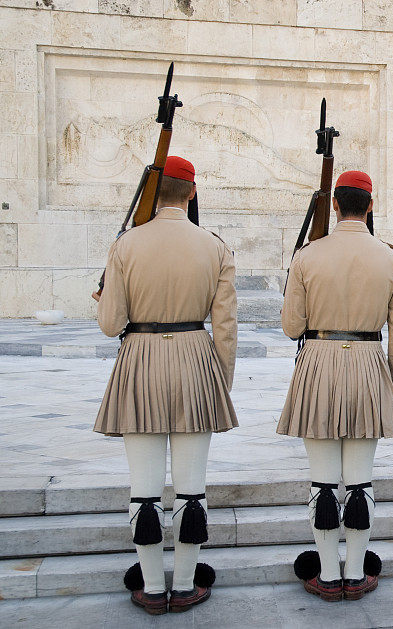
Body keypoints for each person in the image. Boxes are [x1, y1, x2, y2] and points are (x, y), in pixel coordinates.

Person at [93, 155, 238, 614]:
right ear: (192, 193)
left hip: (141, 360)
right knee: (192, 488)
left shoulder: (126, 245)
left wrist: (103, 301)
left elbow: (110, 323)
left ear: (154, 194)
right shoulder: (215, 247)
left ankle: (153, 587)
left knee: (144, 488)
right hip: (196, 358)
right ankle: (189, 583)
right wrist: (220, 382)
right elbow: (226, 327)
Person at [279, 170, 393, 602]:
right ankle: (355, 574)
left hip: (318, 364)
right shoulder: (391, 259)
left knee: (321, 483)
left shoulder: (307, 255)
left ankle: (327, 574)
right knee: (360, 482)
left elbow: (291, 326)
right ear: (370, 205)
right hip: (369, 365)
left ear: (335, 205)